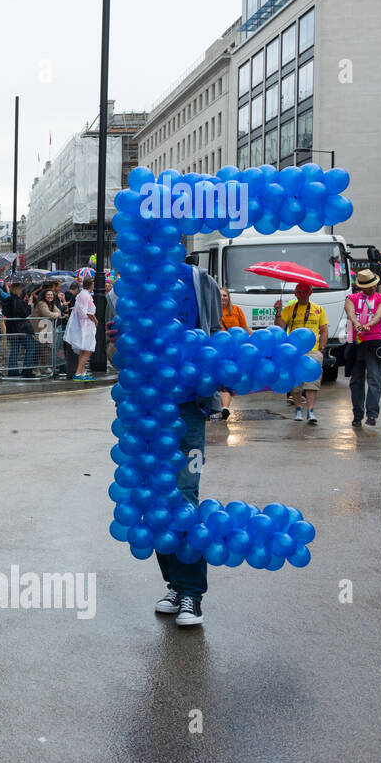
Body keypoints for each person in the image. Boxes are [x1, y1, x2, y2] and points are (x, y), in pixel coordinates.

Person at [150, 261, 222, 627]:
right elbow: (119, 359)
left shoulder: (198, 280)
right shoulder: (132, 284)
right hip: (146, 414)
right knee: (154, 503)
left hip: (187, 409)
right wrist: (116, 342)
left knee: (184, 497)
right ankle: (175, 584)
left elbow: (216, 335)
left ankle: (192, 592)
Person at [274, 283, 328, 425]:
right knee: (295, 382)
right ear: (295, 294)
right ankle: (298, 409)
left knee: (312, 382)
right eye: (300, 292)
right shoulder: (289, 309)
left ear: (310, 293)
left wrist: (321, 348)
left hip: (313, 352)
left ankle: (311, 411)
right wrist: (278, 311)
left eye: (305, 291)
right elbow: (280, 328)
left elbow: (324, 330)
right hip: (294, 352)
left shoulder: (318, 309)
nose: (303, 294)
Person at [345, 269, 381, 427]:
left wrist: (369, 325)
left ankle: (372, 414)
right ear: (361, 287)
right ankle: (357, 414)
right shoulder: (351, 297)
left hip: (375, 342)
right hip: (357, 342)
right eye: (368, 286)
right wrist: (356, 323)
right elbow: (350, 311)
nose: (372, 288)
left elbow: (379, 314)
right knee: (356, 380)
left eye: (373, 285)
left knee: (374, 379)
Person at [216, 287, 249, 420]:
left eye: (225, 295)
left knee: (228, 379)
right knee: (220, 380)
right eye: (220, 295)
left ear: (229, 297)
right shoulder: (213, 311)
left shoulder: (236, 310)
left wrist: (254, 338)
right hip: (219, 350)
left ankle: (224, 408)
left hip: (234, 351)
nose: (223, 298)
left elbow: (244, 328)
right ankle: (223, 407)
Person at [65, 276, 98, 380]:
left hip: (82, 325)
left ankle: (82, 373)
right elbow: (88, 312)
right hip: (86, 326)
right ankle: (78, 373)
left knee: (83, 350)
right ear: (91, 285)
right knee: (88, 349)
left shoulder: (81, 294)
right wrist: (96, 321)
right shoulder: (86, 296)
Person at [31, 286, 63, 373]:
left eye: (51, 295)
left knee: (47, 348)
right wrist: (56, 314)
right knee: (41, 349)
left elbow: (59, 311)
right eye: (48, 295)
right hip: (39, 329)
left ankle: (44, 367)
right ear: (44, 296)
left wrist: (56, 313)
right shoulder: (42, 303)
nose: (50, 296)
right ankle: (38, 367)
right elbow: (48, 314)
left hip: (45, 329)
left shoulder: (51, 304)